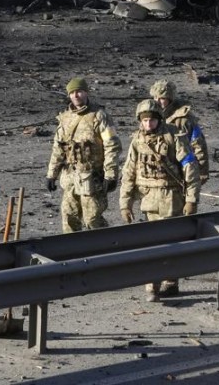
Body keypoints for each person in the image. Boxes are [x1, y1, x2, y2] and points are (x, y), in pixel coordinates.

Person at [119, 99, 202, 301]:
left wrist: (191, 199)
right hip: (148, 198)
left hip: (171, 197)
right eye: (145, 121)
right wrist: (125, 203)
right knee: (153, 243)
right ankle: (153, 284)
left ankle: (171, 282)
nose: (148, 125)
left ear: (159, 119)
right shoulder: (137, 140)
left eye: (152, 120)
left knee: (171, 242)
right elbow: (129, 172)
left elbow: (190, 167)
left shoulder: (174, 136)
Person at [45, 77, 122, 233]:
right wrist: (51, 175)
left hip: (92, 178)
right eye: (72, 93)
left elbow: (112, 146)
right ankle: (72, 251)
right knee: (68, 218)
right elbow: (58, 149)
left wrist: (111, 175)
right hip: (70, 177)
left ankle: (106, 248)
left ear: (86, 93)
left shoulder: (99, 116)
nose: (76, 95)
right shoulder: (65, 118)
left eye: (79, 91)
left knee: (92, 219)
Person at [150, 79, 210, 183]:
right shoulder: (152, 118)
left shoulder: (184, 120)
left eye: (162, 98)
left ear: (170, 99)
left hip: (181, 171)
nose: (158, 101)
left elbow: (198, 145)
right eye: (155, 97)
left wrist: (201, 173)